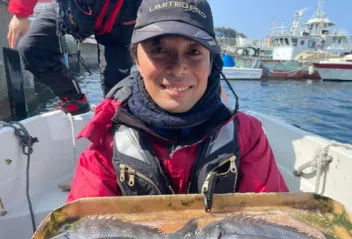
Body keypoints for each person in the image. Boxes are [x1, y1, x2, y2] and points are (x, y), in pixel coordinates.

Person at [66, 0, 288, 207]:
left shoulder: (247, 136)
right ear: (137, 61)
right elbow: (84, 233)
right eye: (159, 50)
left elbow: (272, 221)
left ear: (212, 63)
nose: (179, 67)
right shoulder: (106, 139)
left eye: (194, 51)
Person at [7, 0, 142, 115]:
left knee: (115, 95)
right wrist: (20, 12)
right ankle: (74, 99)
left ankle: (115, 122)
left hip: (120, 25)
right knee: (31, 47)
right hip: (72, 12)